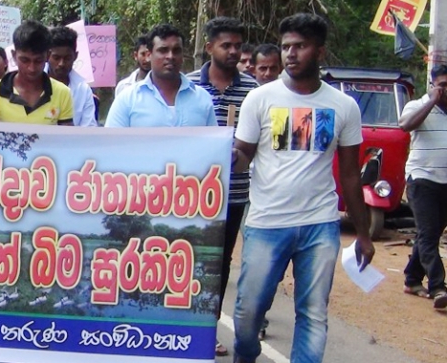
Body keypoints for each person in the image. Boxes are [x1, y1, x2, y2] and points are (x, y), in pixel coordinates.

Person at [231, 13, 374, 363]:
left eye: (300, 46)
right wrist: (214, 154)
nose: (290, 54)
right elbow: (243, 156)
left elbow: (352, 175)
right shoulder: (259, 99)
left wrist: (364, 233)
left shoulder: (344, 106)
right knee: (248, 313)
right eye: (286, 47)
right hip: (266, 222)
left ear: (320, 52)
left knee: (313, 314)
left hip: (319, 224)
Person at [183, 16, 259, 356]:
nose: (232, 51)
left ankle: (208, 326)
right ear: (209, 46)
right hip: (190, 194)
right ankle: (181, 324)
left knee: (220, 262)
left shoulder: (255, 91)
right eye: (225, 45)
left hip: (235, 192)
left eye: (237, 46)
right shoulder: (188, 88)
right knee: (186, 257)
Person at [398, 64, 447, 310]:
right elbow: (405, 125)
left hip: (446, 182)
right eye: (443, 85)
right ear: (433, 85)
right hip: (422, 179)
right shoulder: (417, 105)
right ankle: (439, 287)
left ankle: (412, 278)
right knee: (428, 234)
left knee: (432, 233)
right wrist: (432, 101)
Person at [106, 24, 216, 128]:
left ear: (183, 55)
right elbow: (111, 144)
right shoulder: (128, 100)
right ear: (149, 55)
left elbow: (213, 145)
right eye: (163, 50)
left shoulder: (202, 98)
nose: (170, 56)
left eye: (176, 50)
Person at [0, 20, 74, 125]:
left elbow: (66, 137)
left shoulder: (62, 93)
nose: (32, 68)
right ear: (13, 55)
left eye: (38, 61)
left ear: (48, 56)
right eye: (25, 60)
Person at [48, 26, 98, 127]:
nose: (61, 63)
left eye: (67, 58)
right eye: (56, 58)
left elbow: (88, 129)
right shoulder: (33, 84)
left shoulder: (83, 90)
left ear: (75, 56)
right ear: (47, 55)